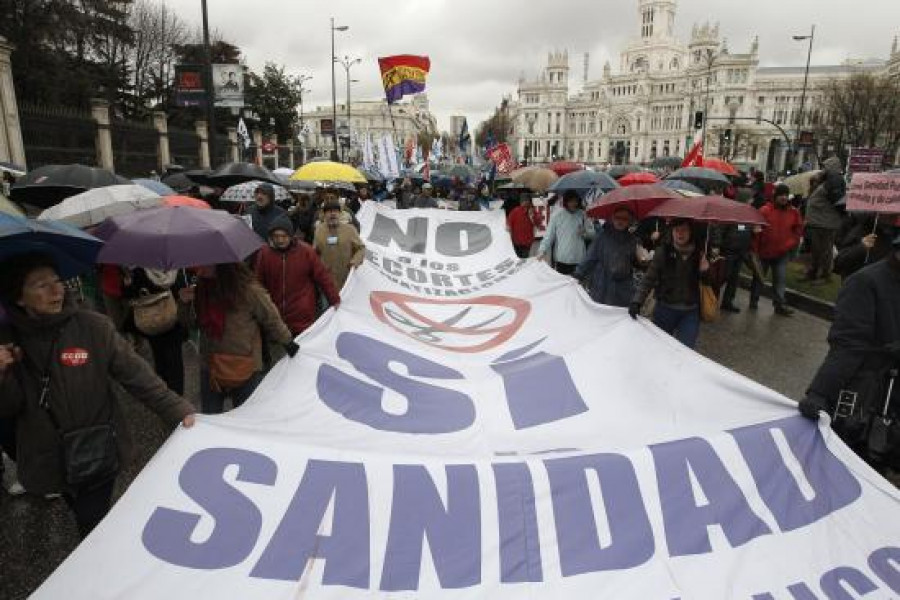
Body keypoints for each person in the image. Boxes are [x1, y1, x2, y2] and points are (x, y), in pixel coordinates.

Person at [0, 253, 195, 536]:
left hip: (100, 447)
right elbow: (9, 407)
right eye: (41, 285)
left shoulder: (93, 327)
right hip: (49, 455)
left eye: (57, 281)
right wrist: (3, 375)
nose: (56, 290)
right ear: (19, 297)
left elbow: (138, 377)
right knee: (83, 513)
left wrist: (181, 411)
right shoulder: (9, 340)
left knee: (91, 523)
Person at [800, 233, 900, 474]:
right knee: (853, 464)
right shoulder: (865, 282)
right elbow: (848, 344)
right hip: (868, 393)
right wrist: (819, 393)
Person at [178, 262, 293, 415]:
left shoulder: (249, 289)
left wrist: (288, 342)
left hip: (245, 366)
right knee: (212, 420)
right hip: (211, 366)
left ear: (221, 264)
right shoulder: (200, 289)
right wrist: (184, 304)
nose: (199, 268)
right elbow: (189, 324)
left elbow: (270, 318)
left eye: (206, 263)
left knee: (245, 419)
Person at [629, 219, 710, 348]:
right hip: (665, 309)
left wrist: (705, 271)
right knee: (661, 349)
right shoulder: (663, 252)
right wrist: (637, 301)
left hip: (690, 311)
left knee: (686, 350)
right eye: (676, 230)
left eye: (684, 230)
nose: (680, 234)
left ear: (691, 232)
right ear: (671, 232)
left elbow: (709, 285)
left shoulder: (699, 254)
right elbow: (649, 278)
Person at [255, 216, 340, 337]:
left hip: (302, 314)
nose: (280, 240)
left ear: (290, 236)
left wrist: (334, 300)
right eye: (276, 236)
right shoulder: (264, 253)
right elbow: (258, 282)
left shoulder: (306, 251)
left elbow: (323, 276)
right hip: (276, 315)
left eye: (284, 236)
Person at [122, 267, 186, 394]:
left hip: (150, 323)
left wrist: (128, 281)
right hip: (171, 319)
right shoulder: (171, 268)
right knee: (175, 361)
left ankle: (165, 390)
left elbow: (129, 295)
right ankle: (177, 395)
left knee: (159, 357)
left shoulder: (138, 269)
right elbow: (181, 288)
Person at [750, 183, 803, 316]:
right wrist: (755, 249)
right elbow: (756, 231)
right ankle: (753, 301)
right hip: (764, 252)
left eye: (786, 195)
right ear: (776, 196)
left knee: (780, 279)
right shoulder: (764, 210)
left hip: (782, 253)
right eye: (781, 195)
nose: (784, 198)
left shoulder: (794, 212)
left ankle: (779, 304)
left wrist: (791, 243)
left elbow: (798, 229)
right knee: (759, 278)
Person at [576, 207, 642, 307]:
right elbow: (590, 258)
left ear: (630, 221)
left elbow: (633, 263)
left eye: (624, 219)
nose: (620, 221)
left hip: (623, 290)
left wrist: (642, 260)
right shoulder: (602, 237)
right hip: (602, 286)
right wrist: (578, 274)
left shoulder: (632, 240)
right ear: (612, 218)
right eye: (617, 217)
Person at [803, 157, 846, 284]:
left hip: (826, 222)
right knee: (817, 250)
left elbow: (837, 202)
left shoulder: (835, 180)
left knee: (825, 251)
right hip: (819, 221)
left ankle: (825, 276)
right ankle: (814, 272)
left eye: (825, 167)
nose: (822, 169)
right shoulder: (828, 180)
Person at [537, 190, 594, 275]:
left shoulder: (583, 215)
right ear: (565, 202)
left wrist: (585, 233)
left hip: (579, 258)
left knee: (577, 286)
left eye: (576, 201)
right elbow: (549, 236)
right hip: (562, 259)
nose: (573, 204)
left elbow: (593, 234)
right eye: (571, 201)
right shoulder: (557, 215)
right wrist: (542, 251)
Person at [314, 200, 366, 291]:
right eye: (329, 211)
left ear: (340, 213)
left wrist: (355, 261)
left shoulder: (350, 229)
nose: (333, 214)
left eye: (335, 211)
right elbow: (314, 252)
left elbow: (361, 248)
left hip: (345, 278)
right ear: (324, 214)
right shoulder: (319, 230)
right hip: (326, 280)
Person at [833, 213, 898, 282]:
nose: (892, 218)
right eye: (889, 215)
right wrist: (861, 248)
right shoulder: (860, 231)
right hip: (858, 283)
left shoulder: (894, 234)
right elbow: (839, 263)